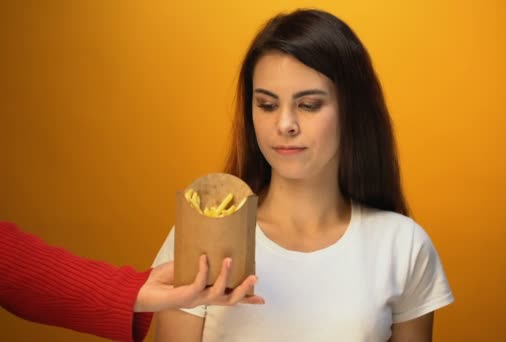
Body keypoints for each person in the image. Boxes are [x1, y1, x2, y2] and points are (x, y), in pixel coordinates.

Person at [152, 9, 454, 341]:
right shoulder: (200, 239)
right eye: (267, 105)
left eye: (308, 105)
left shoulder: (403, 246)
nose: (285, 125)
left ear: (353, 110)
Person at [0, 221, 264, 342]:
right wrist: (125, 291)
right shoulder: (195, 231)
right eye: (267, 105)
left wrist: (127, 290)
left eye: (308, 106)